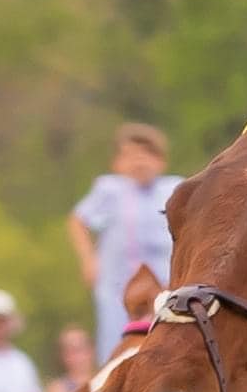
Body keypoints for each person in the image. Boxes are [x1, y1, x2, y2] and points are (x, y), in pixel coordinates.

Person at [67, 122, 183, 363]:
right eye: (131, 155)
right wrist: (88, 260)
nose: (139, 162)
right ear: (118, 163)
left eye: (147, 155)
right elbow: (79, 220)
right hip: (118, 285)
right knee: (115, 344)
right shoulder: (111, 190)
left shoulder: (172, 188)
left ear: (161, 161)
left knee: (165, 341)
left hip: (164, 283)